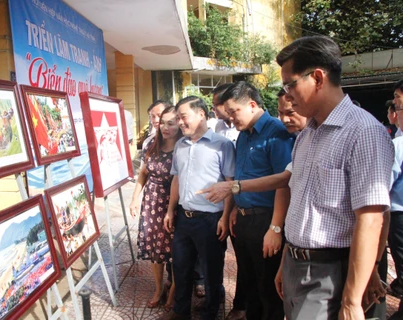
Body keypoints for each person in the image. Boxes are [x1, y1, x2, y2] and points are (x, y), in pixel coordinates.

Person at [273, 35, 394, 320]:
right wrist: (286, 262)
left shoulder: (363, 133)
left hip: (330, 273)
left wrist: (351, 301)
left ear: (317, 77)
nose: (286, 95)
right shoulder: (307, 134)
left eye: (290, 84)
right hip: (296, 265)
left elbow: (372, 218)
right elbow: (301, 203)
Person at [221, 81, 293, 320]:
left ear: (252, 105)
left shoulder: (277, 133)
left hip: (266, 220)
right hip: (243, 221)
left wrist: (275, 227)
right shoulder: (243, 135)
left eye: (234, 112)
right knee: (249, 281)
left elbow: (284, 183)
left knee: (268, 288)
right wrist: (235, 209)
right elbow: (242, 175)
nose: (231, 119)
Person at [162, 96, 235, 320]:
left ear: (201, 114)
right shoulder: (180, 146)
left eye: (183, 117)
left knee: (211, 271)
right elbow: (176, 180)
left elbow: (231, 183)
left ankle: (210, 313)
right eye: (178, 119)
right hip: (184, 218)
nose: (180, 123)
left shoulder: (222, 145)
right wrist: (170, 210)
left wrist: (224, 217)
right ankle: (180, 311)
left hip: (210, 220)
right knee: (181, 268)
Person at [129, 106, 183, 311]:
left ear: (179, 123)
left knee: (177, 250)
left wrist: (171, 208)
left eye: (171, 123)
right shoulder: (151, 143)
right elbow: (143, 173)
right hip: (152, 202)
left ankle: (174, 291)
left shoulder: (183, 145)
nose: (165, 127)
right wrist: (135, 198)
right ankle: (159, 289)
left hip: (174, 203)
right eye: (162, 123)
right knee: (155, 249)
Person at [387, 80, 403, 319]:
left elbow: (380, 187)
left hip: (398, 216)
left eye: (398, 104)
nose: (395, 111)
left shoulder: (397, 146)